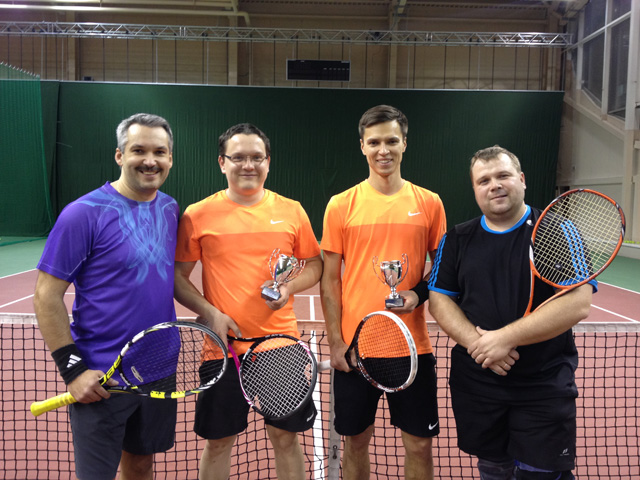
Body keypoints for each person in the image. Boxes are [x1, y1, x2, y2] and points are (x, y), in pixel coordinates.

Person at [33, 113, 191, 480]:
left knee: (142, 464)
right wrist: (73, 370)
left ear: (170, 159)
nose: (150, 160)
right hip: (103, 378)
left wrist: (209, 311)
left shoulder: (169, 208)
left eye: (159, 152)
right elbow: (45, 296)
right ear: (120, 155)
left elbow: (168, 278)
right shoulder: (82, 214)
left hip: (159, 369)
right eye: (138, 150)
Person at [428, 145, 594, 480]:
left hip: (542, 384)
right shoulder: (457, 238)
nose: (494, 185)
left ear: (521, 179)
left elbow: (578, 302)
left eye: (503, 175)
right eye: (484, 180)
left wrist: (504, 339)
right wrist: (480, 346)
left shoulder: (557, 230)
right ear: (475, 189)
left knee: (542, 475)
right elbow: (439, 300)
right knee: (493, 469)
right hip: (478, 383)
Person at [174, 123, 323, 480]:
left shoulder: (292, 210)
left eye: (257, 157)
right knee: (218, 443)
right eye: (238, 157)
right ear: (222, 163)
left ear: (268, 162)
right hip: (221, 348)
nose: (248, 165)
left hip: (279, 346)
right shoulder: (197, 214)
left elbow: (315, 264)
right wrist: (210, 312)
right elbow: (177, 277)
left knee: (285, 439)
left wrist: (288, 288)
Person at [320, 105, 447, 479]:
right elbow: (330, 280)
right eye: (374, 142)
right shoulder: (340, 205)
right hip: (356, 349)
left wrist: (418, 294)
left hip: (413, 349)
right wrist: (336, 342)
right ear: (362, 146)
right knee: (356, 442)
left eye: (392, 141)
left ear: (405, 143)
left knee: (419, 446)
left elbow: (443, 268)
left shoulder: (429, 203)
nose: (383, 150)